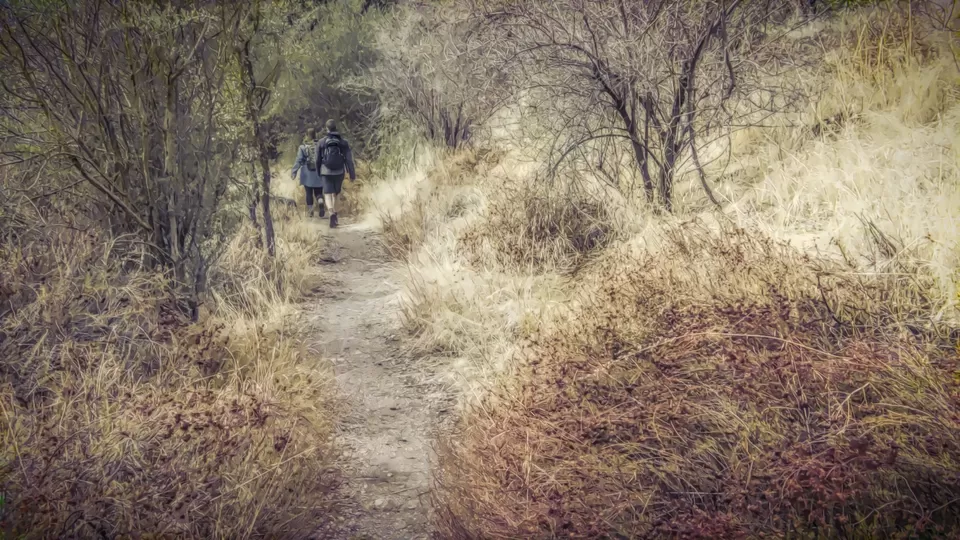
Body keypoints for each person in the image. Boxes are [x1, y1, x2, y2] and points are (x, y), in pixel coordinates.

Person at [315, 119, 356, 228]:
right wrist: (352, 174)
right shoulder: (343, 142)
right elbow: (349, 160)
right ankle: (335, 214)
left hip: (325, 171)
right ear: (335, 127)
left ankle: (331, 213)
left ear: (326, 128)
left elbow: (317, 160)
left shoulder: (322, 142)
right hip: (339, 171)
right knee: (336, 194)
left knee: (327, 194)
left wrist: (318, 171)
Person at [291, 127, 325, 218]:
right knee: (319, 192)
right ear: (315, 134)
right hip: (319, 171)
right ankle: (320, 201)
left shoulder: (302, 147)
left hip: (307, 172)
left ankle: (310, 210)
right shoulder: (320, 145)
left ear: (306, 135)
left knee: (308, 192)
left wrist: (294, 171)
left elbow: (299, 160)